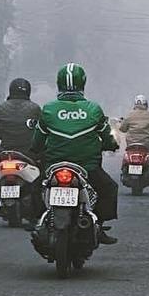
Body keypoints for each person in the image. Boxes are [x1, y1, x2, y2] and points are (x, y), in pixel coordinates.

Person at [32, 63, 119, 244]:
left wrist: (36, 151)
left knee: (34, 188)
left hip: (54, 166)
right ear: (83, 83)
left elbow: (37, 142)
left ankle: (37, 221)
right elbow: (108, 139)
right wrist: (111, 146)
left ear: (58, 83)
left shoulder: (48, 109)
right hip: (88, 167)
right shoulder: (94, 109)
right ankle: (99, 226)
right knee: (109, 188)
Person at [0, 77, 41, 159]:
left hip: (5, 151)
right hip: (28, 152)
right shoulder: (35, 108)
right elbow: (41, 131)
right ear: (28, 91)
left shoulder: (0, 108)